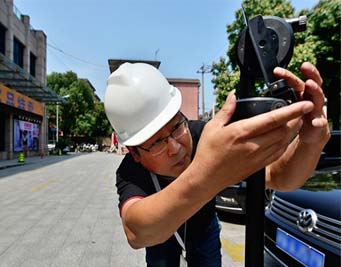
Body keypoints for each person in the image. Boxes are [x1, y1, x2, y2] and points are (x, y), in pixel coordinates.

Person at [104, 62, 330, 266]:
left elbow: (279, 176)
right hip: (162, 236)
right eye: (156, 143)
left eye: (176, 127)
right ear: (134, 152)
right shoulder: (130, 170)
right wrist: (207, 173)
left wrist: (310, 142)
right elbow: (137, 232)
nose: (176, 147)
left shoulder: (205, 136)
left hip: (205, 228)